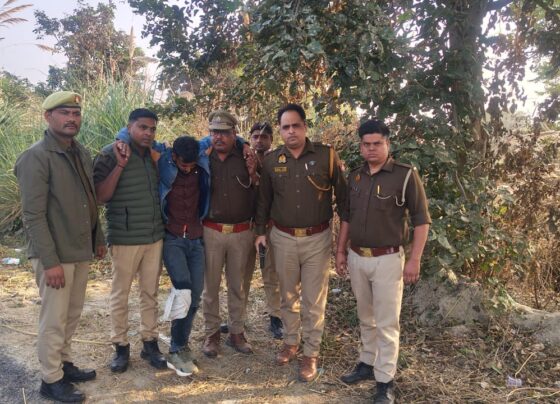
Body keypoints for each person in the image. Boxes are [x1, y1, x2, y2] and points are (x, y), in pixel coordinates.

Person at [15, 91, 106, 403]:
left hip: (79, 249)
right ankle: (51, 379)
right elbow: (32, 215)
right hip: (55, 254)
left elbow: (89, 200)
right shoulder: (36, 156)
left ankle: (64, 364)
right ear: (48, 116)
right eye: (64, 113)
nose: (72, 119)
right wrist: (50, 261)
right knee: (54, 318)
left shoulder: (79, 152)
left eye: (76, 113)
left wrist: (98, 238)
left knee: (72, 313)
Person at [335, 119, 431, 404]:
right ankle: (367, 363)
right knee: (366, 316)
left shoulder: (405, 175)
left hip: (388, 260)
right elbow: (347, 218)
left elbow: (421, 220)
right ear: (360, 146)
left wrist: (414, 259)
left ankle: (384, 381)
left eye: (377, 143)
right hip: (357, 257)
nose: (371, 149)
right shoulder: (356, 177)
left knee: (387, 322)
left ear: (388, 144)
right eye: (366, 144)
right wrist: (340, 251)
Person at [255, 104, 347, 382]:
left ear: (305, 127)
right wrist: (260, 232)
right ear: (280, 131)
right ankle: (290, 342)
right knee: (287, 296)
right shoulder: (272, 160)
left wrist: (343, 241)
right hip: (282, 237)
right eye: (286, 127)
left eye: (296, 125)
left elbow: (343, 199)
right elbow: (264, 200)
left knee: (314, 300)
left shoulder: (326, 156)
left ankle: (311, 353)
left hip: (317, 238)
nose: (291, 131)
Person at [93, 108, 166, 373]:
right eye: (143, 127)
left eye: (152, 129)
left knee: (150, 293)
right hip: (125, 237)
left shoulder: (155, 154)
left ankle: (150, 343)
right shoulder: (110, 153)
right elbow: (100, 196)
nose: (148, 133)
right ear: (129, 127)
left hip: (154, 236)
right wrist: (120, 165)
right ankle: (120, 347)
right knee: (120, 294)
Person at [201, 110, 258, 358]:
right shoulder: (203, 156)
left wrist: (250, 162)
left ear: (234, 133)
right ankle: (212, 334)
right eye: (214, 132)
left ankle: (237, 332)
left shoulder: (247, 157)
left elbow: (260, 190)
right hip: (211, 231)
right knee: (210, 288)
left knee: (238, 286)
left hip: (242, 232)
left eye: (224, 132)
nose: (219, 137)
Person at [159, 136, 209, 377]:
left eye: (191, 165)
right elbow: (135, 136)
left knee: (196, 295)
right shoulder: (164, 161)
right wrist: (121, 140)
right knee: (183, 291)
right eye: (183, 164)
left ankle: (182, 343)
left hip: (196, 239)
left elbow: (218, 135)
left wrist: (244, 144)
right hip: (173, 237)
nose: (187, 169)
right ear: (174, 157)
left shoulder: (202, 161)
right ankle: (176, 349)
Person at [243, 122, 283, 339]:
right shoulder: (243, 158)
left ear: (271, 140)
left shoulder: (277, 161)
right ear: (250, 139)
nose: (259, 140)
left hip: (268, 226)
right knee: (242, 274)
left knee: (271, 273)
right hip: (245, 225)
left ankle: (275, 317)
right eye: (255, 136)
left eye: (264, 137)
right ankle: (237, 318)